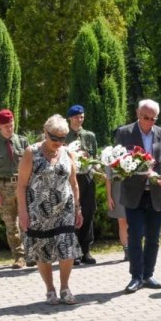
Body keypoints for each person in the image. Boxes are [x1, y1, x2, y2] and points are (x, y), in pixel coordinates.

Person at [111, 99, 161, 293]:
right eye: (145, 117)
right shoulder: (124, 133)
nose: (149, 121)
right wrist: (127, 169)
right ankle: (136, 276)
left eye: (153, 118)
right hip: (134, 194)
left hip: (156, 194)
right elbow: (116, 161)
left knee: (153, 238)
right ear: (137, 114)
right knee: (135, 236)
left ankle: (149, 274)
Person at [17, 115, 83, 305]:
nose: (58, 142)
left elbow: (74, 183)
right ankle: (50, 289)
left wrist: (78, 208)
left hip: (65, 209)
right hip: (39, 210)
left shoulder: (67, 153)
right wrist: (22, 212)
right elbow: (21, 185)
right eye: (54, 138)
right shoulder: (32, 152)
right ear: (45, 133)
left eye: (63, 138)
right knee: (43, 250)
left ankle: (65, 287)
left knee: (67, 248)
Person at [0, 109, 28, 268]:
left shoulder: (23, 141)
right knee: (11, 224)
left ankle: (30, 254)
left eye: (12, 124)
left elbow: (31, 165)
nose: (10, 128)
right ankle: (19, 256)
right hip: (4, 186)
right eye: (6, 126)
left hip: (23, 185)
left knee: (26, 221)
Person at [64, 105, 99, 265]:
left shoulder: (89, 136)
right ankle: (74, 251)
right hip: (71, 178)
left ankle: (86, 251)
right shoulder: (64, 136)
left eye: (82, 116)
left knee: (88, 212)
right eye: (77, 117)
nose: (80, 119)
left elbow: (95, 156)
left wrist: (96, 165)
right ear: (70, 118)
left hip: (87, 177)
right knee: (72, 213)